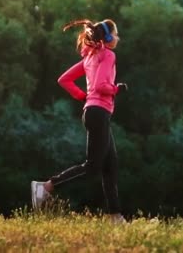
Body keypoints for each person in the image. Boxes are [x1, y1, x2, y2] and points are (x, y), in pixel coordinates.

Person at [31, 18, 127, 224]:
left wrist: (83, 97)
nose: (118, 37)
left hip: (94, 111)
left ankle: (115, 217)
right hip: (99, 112)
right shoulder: (108, 55)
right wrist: (117, 89)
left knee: (110, 166)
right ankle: (46, 187)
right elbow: (102, 85)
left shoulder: (89, 58)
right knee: (93, 167)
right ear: (109, 37)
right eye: (116, 34)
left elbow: (63, 79)